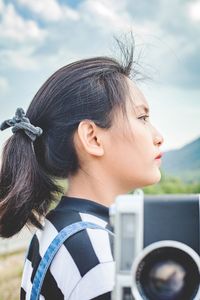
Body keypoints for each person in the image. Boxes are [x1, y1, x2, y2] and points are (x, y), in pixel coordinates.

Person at [0, 39, 164, 299]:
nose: (158, 136)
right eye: (142, 118)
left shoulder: (56, 228)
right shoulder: (97, 257)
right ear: (93, 138)